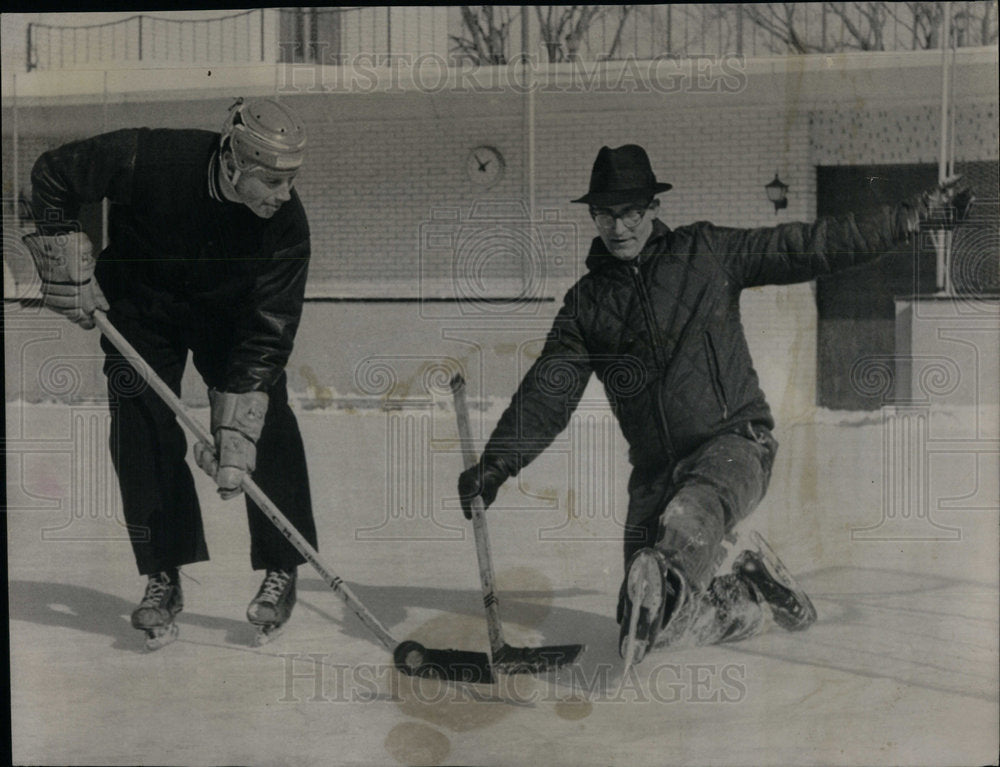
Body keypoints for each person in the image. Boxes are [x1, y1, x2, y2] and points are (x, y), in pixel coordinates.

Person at [458, 144, 972, 663]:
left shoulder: (705, 253)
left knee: (691, 518)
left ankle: (679, 576)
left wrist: (909, 218)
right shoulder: (587, 304)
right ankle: (756, 599)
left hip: (734, 443)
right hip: (657, 473)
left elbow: (807, 245)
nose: (618, 227)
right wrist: (498, 462)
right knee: (649, 625)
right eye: (605, 214)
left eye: (630, 212)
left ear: (652, 210)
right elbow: (551, 386)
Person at [25, 97, 317, 649]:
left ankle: (282, 566)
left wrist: (237, 430)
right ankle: (163, 573)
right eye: (272, 181)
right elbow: (54, 174)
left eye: (291, 180)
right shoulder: (149, 156)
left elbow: (270, 329)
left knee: (269, 423)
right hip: (141, 306)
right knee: (140, 429)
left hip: (229, 319)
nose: (284, 195)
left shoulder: (287, 226)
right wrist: (65, 253)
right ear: (235, 165)